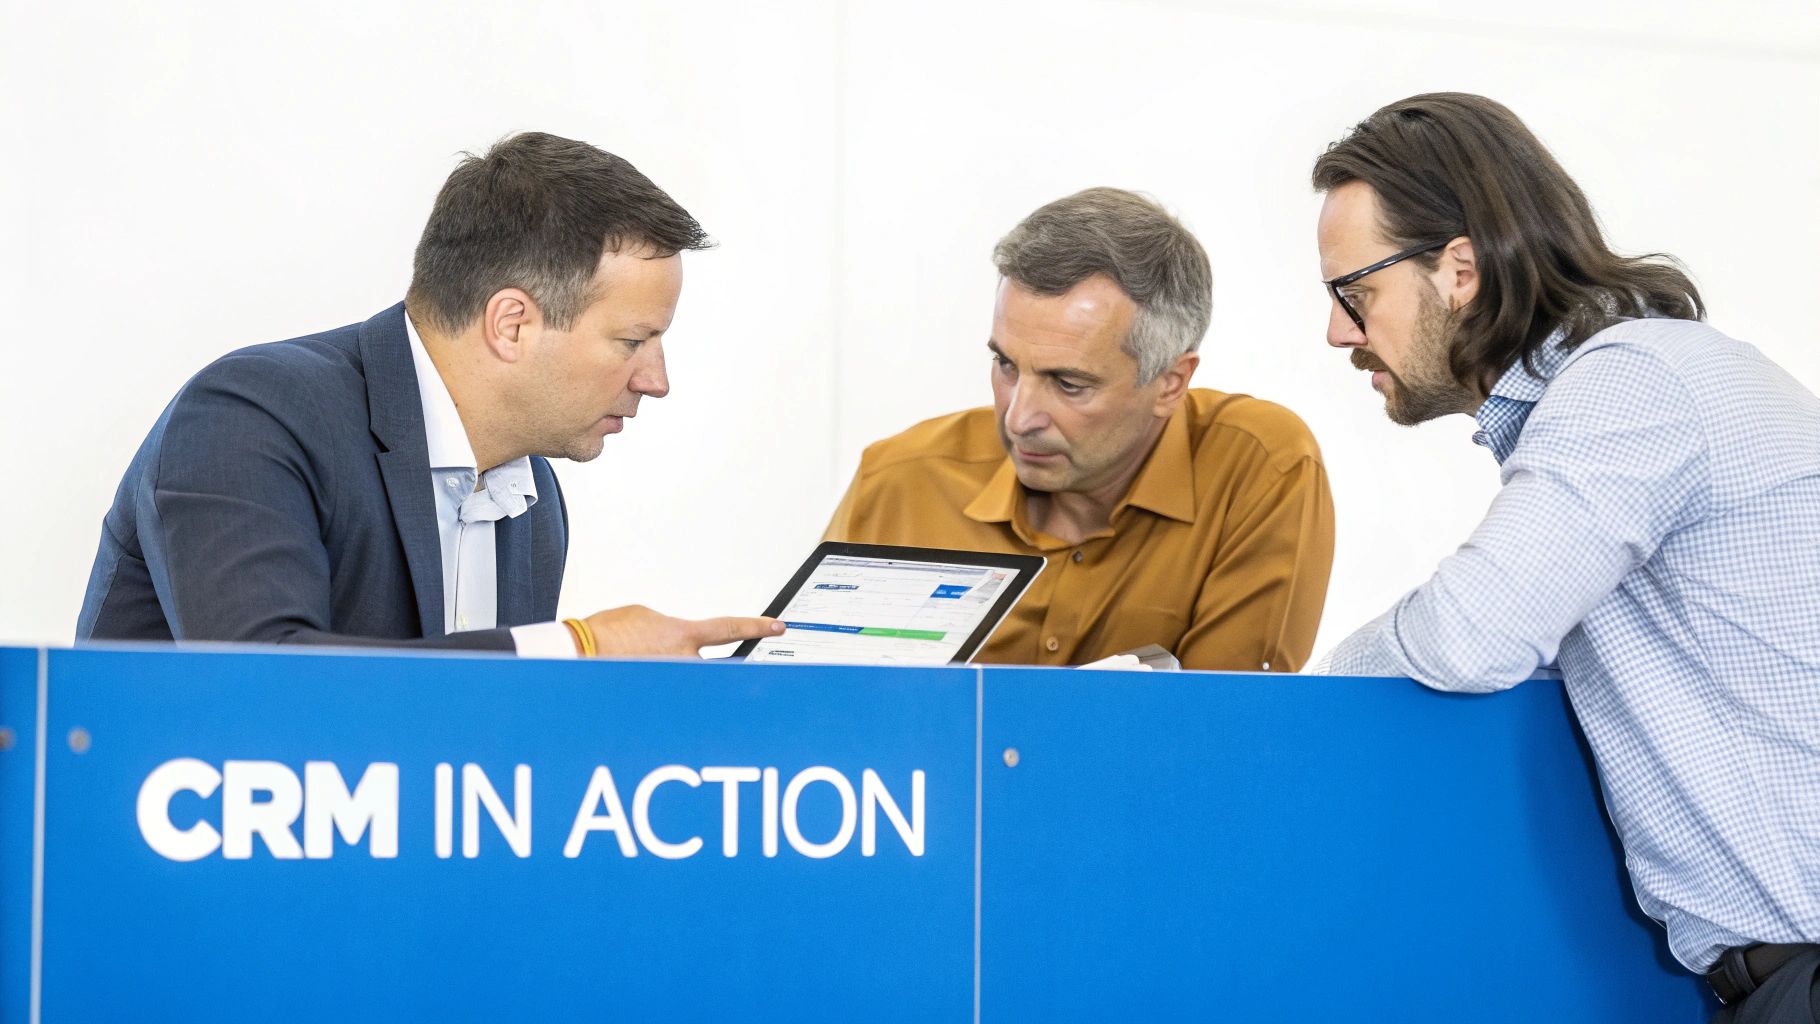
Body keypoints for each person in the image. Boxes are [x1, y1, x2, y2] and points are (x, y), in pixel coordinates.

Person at [1311, 93, 1820, 1021]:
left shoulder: (1633, 380)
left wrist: (1312, 691)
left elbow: (1470, 633)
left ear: (1458, 269)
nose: (1340, 332)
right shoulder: (1644, 386)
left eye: (1356, 292)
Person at [77, 132, 782, 659]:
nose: (655, 381)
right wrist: (580, 649)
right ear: (512, 324)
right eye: (633, 341)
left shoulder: (531, 499)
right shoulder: (252, 417)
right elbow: (268, 680)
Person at [825, 188, 1334, 671]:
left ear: (1170, 383)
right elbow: (813, 718)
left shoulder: (1261, 469)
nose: (1019, 419)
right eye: (1005, 365)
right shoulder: (897, 482)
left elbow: (1221, 732)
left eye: (1067, 383)